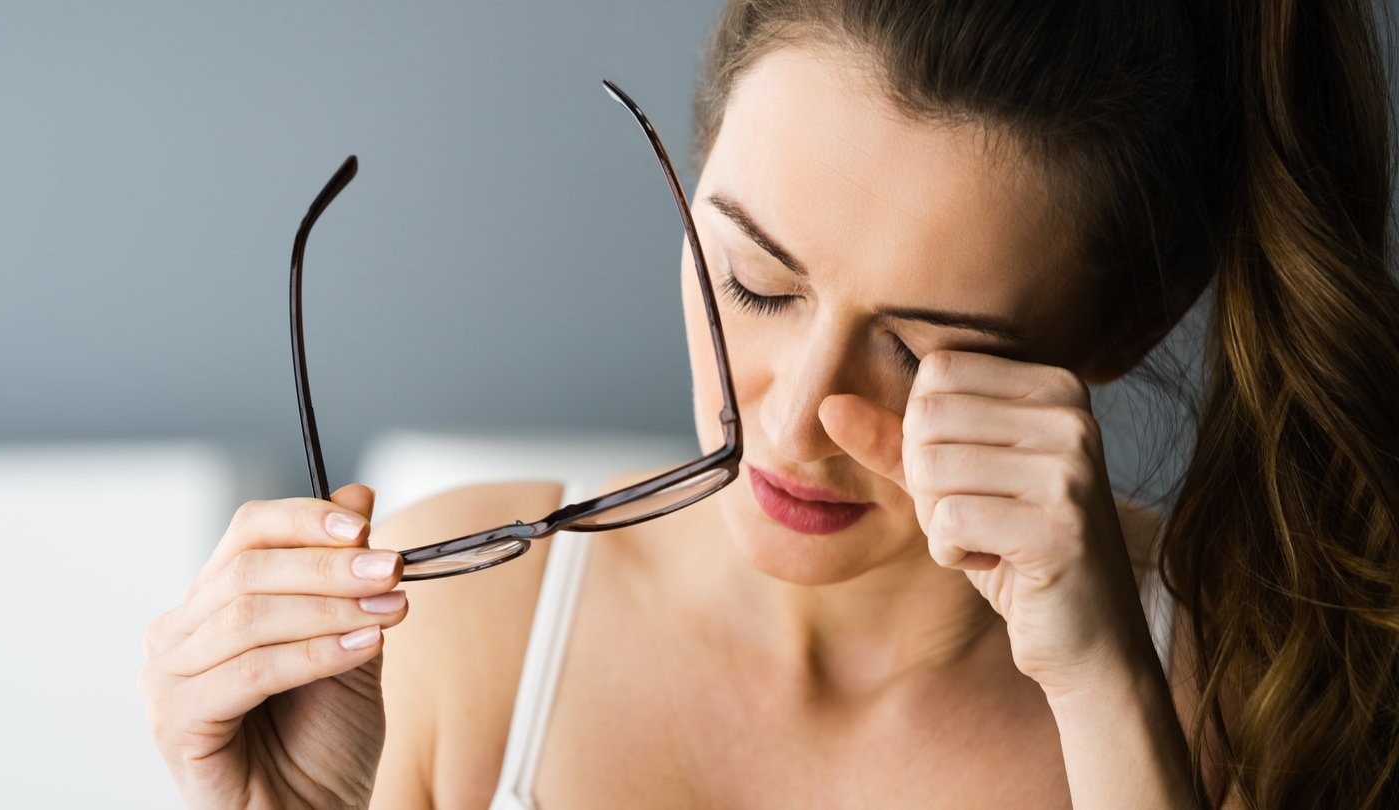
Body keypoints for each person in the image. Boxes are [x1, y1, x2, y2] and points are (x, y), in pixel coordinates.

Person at [139, 0, 1399, 807]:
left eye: (918, 354)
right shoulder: (454, 639)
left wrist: (1109, 705)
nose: (791, 424)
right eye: (750, 280)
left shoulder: (1267, 697)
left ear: (1121, 332)